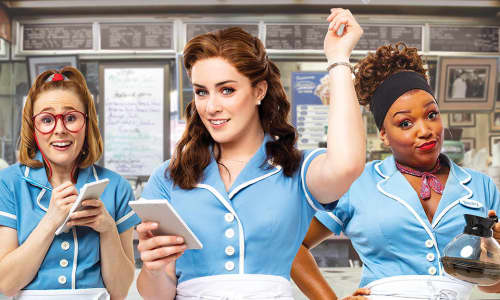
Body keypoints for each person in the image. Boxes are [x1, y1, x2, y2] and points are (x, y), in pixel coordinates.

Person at [136, 8, 365, 300]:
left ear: (259, 91)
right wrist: (154, 268)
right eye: (201, 92)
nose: (210, 107)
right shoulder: (169, 177)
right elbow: (158, 295)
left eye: (227, 90)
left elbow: (347, 165)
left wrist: (338, 59)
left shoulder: (296, 169)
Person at [291, 42, 500, 299]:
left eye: (431, 114)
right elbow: (292, 246)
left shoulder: (481, 187)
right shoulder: (357, 183)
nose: (425, 130)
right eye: (405, 123)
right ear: (384, 135)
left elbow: (491, 285)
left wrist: (496, 251)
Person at [0, 67, 141, 299]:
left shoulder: (117, 188)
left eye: (71, 118)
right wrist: (51, 221)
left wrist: (107, 229)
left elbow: (120, 290)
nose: (60, 130)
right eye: (46, 120)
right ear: (33, 128)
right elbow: (6, 284)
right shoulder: (9, 183)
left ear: (87, 124)